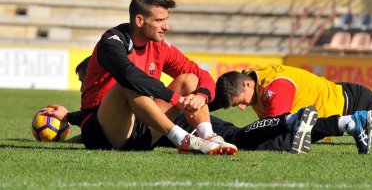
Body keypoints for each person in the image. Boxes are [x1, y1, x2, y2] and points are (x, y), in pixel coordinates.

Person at [46, 0, 239, 155]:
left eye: (167, 20)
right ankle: (183, 140)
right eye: (160, 20)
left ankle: (209, 137)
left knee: (189, 79)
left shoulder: (161, 47)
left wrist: (202, 95)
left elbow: (200, 74)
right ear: (139, 20)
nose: (167, 26)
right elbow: (129, 76)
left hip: (142, 130)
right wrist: (177, 100)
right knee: (128, 83)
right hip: (102, 133)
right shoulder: (111, 42)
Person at [54, 56, 320, 154]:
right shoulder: (112, 105)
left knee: (238, 136)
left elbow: (99, 123)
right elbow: (100, 124)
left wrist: (198, 98)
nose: (82, 86)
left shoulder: (113, 90)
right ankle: (299, 123)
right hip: (174, 123)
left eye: (82, 80)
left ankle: (293, 123)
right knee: (239, 136)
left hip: (182, 122)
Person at [213, 64, 372, 154]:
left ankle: (350, 122)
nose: (243, 108)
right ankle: (350, 124)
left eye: (241, 102)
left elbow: (274, 130)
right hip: (341, 98)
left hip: (350, 104)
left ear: (247, 84)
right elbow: (222, 93)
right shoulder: (248, 77)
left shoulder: (275, 88)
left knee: (276, 141)